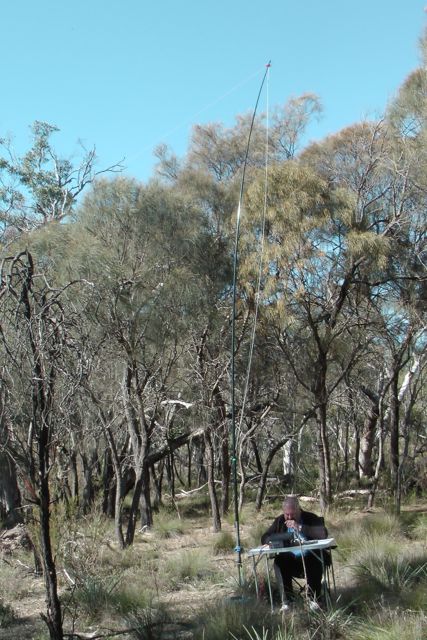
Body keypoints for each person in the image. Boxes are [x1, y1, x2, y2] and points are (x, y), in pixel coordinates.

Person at [261, 496, 328, 610]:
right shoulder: (280, 521)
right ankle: (287, 602)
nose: (290, 517)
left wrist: (300, 527)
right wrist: (271, 540)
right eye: (287, 514)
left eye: (293, 514)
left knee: (314, 559)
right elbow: (265, 537)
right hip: (291, 562)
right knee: (279, 561)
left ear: (299, 510)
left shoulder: (310, 518)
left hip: (311, 559)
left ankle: (314, 599)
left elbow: (323, 534)